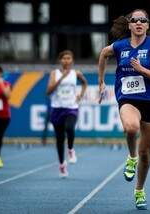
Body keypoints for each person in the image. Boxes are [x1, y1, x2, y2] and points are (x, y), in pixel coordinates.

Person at [98, 9, 150, 210]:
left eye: (142, 20)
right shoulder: (119, 46)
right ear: (129, 25)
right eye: (134, 20)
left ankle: (139, 190)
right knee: (131, 128)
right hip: (128, 98)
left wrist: (142, 70)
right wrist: (100, 82)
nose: (138, 22)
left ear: (147, 25)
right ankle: (131, 157)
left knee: (146, 152)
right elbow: (103, 54)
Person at [46, 50, 87, 178]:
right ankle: (62, 164)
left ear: (72, 61)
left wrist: (81, 94)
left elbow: (84, 83)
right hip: (57, 108)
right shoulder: (55, 73)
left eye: (69, 58)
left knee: (70, 128)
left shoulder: (76, 73)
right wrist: (61, 78)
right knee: (59, 139)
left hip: (71, 107)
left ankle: (70, 149)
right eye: (64, 58)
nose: (66, 61)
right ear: (60, 60)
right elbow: (48, 91)